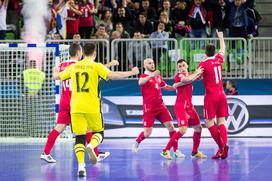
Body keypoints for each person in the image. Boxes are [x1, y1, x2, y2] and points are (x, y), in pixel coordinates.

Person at [53, 43, 139, 177]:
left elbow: (57, 77)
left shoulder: (74, 66)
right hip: (92, 107)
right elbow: (113, 75)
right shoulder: (97, 66)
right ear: (94, 53)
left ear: (83, 53)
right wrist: (132, 72)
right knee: (99, 133)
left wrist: (54, 70)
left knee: (79, 137)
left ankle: (81, 167)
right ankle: (92, 145)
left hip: (75, 107)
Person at [40, 44, 118, 163]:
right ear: (78, 53)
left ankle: (46, 152)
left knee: (59, 127)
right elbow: (94, 71)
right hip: (77, 100)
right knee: (87, 128)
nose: (82, 54)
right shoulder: (78, 65)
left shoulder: (62, 65)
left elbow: (57, 76)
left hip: (64, 100)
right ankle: (96, 154)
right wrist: (110, 65)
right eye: (81, 52)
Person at [131, 58, 184, 159]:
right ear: (144, 65)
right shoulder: (144, 76)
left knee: (171, 127)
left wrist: (177, 86)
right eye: (149, 63)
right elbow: (140, 83)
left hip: (161, 107)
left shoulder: (158, 76)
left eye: (153, 63)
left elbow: (165, 86)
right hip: (149, 109)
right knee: (147, 133)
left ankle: (176, 151)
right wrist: (152, 75)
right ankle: (137, 141)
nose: (152, 64)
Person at [160, 59, 206, 159]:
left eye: (183, 65)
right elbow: (186, 80)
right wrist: (196, 73)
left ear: (187, 66)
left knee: (198, 128)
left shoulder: (190, 75)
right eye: (179, 66)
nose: (181, 68)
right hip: (181, 106)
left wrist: (200, 72)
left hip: (190, 106)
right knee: (183, 130)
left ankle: (195, 151)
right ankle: (165, 150)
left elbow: (196, 77)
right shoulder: (179, 76)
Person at [197, 30, 229, 159]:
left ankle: (221, 147)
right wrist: (221, 37)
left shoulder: (203, 64)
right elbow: (223, 48)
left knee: (209, 122)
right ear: (214, 51)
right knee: (221, 120)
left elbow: (197, 77)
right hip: (222, 94)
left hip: (211, 96)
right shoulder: (219, 59)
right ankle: (225, 144)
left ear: (205, 52)